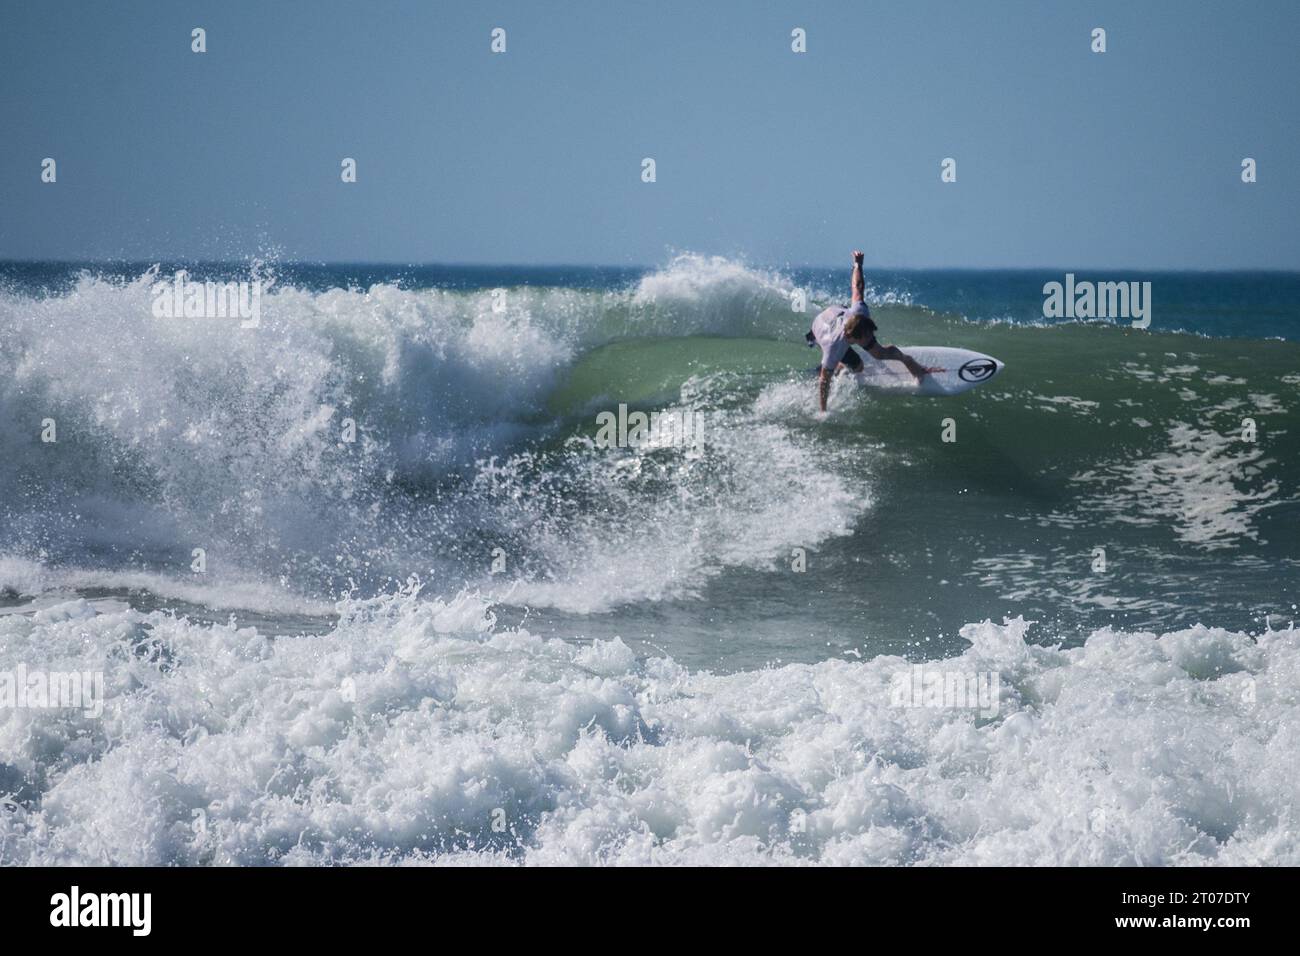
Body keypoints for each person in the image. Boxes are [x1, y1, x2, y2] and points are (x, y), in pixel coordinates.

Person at [807, 250, 935, 412]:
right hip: (820, 329)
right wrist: (823, 410)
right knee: (855, 367)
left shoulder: (860, 312)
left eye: (870, 335)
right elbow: (824, 382)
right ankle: (833, 367)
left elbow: (857, 287)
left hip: (838, 312)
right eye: (865, 338)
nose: (870, 339)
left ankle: (906, 360)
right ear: (851, 337)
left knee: (879, 353)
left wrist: (858, 264)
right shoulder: (834, 346)